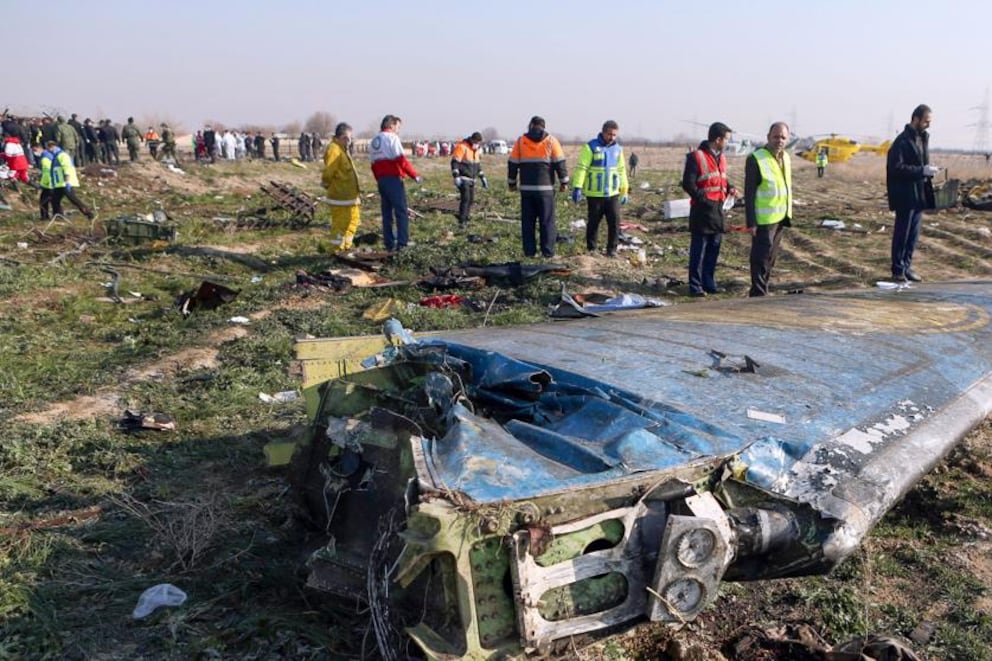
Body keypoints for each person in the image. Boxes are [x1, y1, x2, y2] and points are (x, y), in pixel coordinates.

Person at [682, 122, 737, 296]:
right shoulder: (696, 157)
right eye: (726, 139)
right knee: (699, 251)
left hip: (718, 211)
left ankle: (708, 283)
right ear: (718, 139)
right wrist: (703, 199)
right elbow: (688, 184)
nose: (728, 142)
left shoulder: (721, 157)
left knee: (714, 249)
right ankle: (695, 286)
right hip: (702, 212)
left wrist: (730, 187)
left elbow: (720, 178)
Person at [886, 104, 937, 283]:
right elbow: (896, 168)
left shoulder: (922, 138)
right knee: (903, 233)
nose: (928, 125)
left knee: (913, 235)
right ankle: (897, 269)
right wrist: (921, 171)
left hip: (918, 195)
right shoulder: (902, 141)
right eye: (926, 121)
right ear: (915, 119)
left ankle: (906, 266)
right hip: (905, 195)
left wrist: (927, 171)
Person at [508, 116, 569, 258]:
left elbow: (512, 164)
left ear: (531, 125)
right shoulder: (551, 141)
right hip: (546, 191)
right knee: (547, 222)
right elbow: (560, 163)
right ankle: (548, 253)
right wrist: (564, 182)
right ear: (543, 126)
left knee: (528, 223)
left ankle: (529, 253)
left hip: (527, 190)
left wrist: (512, 183)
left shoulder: (521, 141)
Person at [745, 122, 793, 297]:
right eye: (776, 136)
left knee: (771, 259)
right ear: (768, 137)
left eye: (783, 137)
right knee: (760, 258)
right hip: (763, 220)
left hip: (780, 216)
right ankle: (757, 294)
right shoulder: (756, 159)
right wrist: (751, 222)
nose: (779, 140)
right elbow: (749, 193)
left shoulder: (786, 158)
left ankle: (763, 288)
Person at [572, 120, 629, 257]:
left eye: (615, 135)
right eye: (610, 134)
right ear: (603, 132)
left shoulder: (617, 149)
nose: (612, 137)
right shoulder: (590, 147)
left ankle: (612, 250)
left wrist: (624, 190)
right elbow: (582, 168)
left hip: (612, 193)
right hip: (595, 194)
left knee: (614, 222)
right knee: (593, 223)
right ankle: (592, 249)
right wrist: (577, 187)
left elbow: (621, 171)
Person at [369, 114, 421, 251]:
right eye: (398, 127)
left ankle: (389, 243)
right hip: (393, 179)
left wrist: (379, 179)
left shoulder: (374, 141)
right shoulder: (392, 138)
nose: (398, 130)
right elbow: (401, 160)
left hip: (381, 180)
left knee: (386, 212)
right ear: (391, 125)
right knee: (401, 211)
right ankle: (402, 243)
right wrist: (414, 175)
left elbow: (373, 165)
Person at [322, 122, 362, 251]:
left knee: (354, 220)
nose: (350, 141)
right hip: (341, 196)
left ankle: (346, 247)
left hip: (350, 196)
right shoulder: (334, 149)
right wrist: (327, 184)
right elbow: (329, 171)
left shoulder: (342, 150)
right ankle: (336, 250)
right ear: (343, 137)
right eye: (348, 138)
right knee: (340, 224)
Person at [37, 140, 94, 220]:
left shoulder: (62, 155)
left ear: (52, 147)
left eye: (49, 148)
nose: (48, 150)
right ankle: (58, 216)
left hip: (65, 183)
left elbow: (67, 167)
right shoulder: (56, 156)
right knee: (55, 200)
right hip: (59, 184)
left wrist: (67, 181)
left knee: (73, 199)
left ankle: (88, 213)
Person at [450, 131, 488, 227]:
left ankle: (466, 218)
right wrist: (456, 176)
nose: (477, 144)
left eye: (479, 143)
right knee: (465, 198)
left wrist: (482, 177)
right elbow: (455, 162)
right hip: (463, 177)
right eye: (476, 142)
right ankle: (462, 221)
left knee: (471, 200)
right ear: (472, 140)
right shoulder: (462, 147)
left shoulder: (477, 150)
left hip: (472, 179)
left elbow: (477, 165)